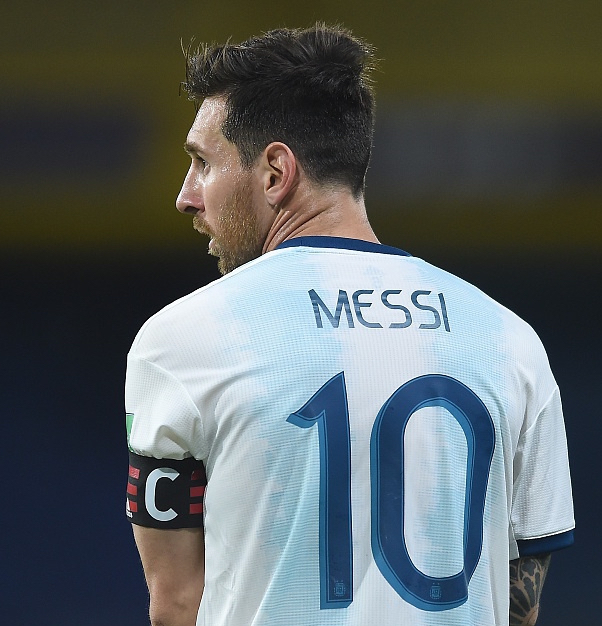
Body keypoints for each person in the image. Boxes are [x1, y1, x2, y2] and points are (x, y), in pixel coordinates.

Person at [124, 23, 574, 626]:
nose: (187, 196)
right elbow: (520, 602)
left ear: (275, 172)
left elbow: (178, 605)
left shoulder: (184, 340)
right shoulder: (509, 340)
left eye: (203, 163)